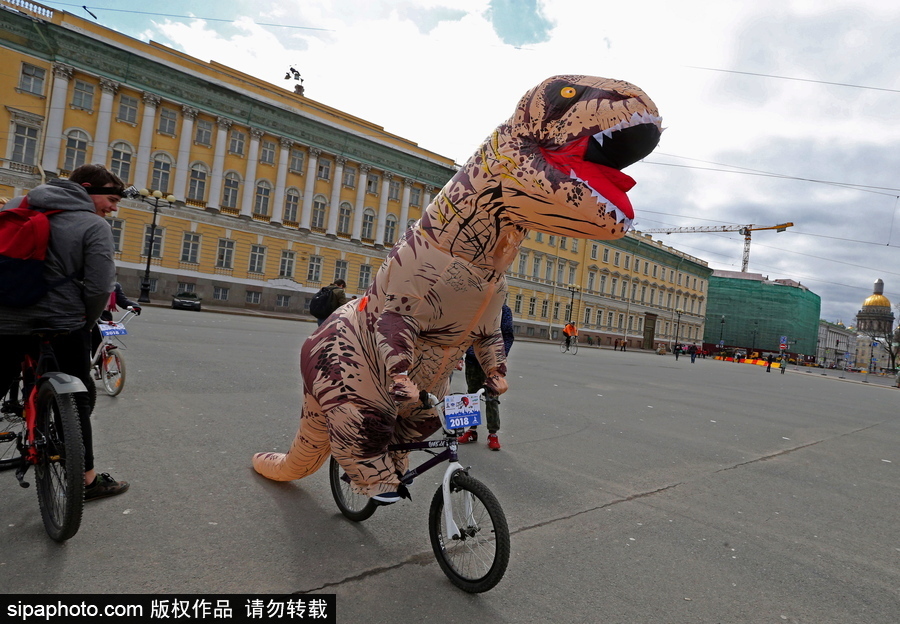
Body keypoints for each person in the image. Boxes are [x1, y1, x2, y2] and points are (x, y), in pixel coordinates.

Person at [0, 164, 129, 500]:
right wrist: (85, 321)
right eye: (111, 198)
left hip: (5, 320)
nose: (114, 207)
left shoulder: (15, 206)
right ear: (86, 188)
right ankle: (86, 480)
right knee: (78, 394)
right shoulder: (92, 224)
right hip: (62, 323)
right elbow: (101, 285)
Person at [458, 303, 514, 451]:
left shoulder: (503, 310)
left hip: (492, 364)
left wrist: (499, 359)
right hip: (472, 360)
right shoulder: (476, 305)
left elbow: (507, 335)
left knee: (492, 397)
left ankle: (493, 434)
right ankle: (472, 431)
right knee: (471, 395)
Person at [91, 282, 141, 356]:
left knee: (100, 341)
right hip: (90, 314)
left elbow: (122, 300)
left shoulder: (114, 286)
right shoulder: (90, 282)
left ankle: (99, 362)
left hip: (105, 315)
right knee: (91, 340)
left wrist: (134, 306)